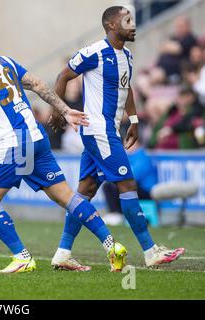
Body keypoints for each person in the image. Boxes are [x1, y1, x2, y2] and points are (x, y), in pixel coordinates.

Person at [0, 21, 128, 274]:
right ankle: (112, 245)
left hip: (13, 143)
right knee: (67, 197)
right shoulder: (3, 61)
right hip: (36, 137)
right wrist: (65, 110)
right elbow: (37, 84)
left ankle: (22, 257)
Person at [53, 6, 185, 269]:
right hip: (98, 130)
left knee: (85, 191)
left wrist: (134, 121)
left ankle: (63, 252)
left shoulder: (127, 56)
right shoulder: (94, 52)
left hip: (110, 130)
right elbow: (64, 75)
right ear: (112, 25)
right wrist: (60, 110)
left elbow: (127, 90)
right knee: (127, 184)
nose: (133, 25)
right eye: (127, 20)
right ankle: (150, 251)